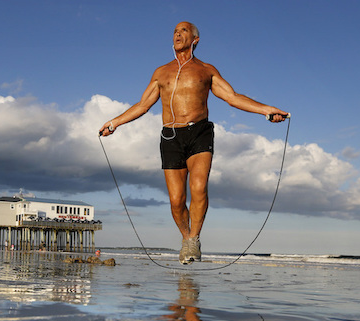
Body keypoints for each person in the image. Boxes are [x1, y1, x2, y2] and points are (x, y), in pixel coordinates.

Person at [99, 21, 288, 264]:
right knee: (176, 200)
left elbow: (231, 97)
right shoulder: (161, 72)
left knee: (198, 188)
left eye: (184, 30)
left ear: (195, 39)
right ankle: (186, 238)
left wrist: (266, 110)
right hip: (170, 136)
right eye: (175, 31)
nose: (178, 34)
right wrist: (114, 123)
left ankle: (194, 240)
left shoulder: (206, 70)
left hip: (200, 132)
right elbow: (143, 105)